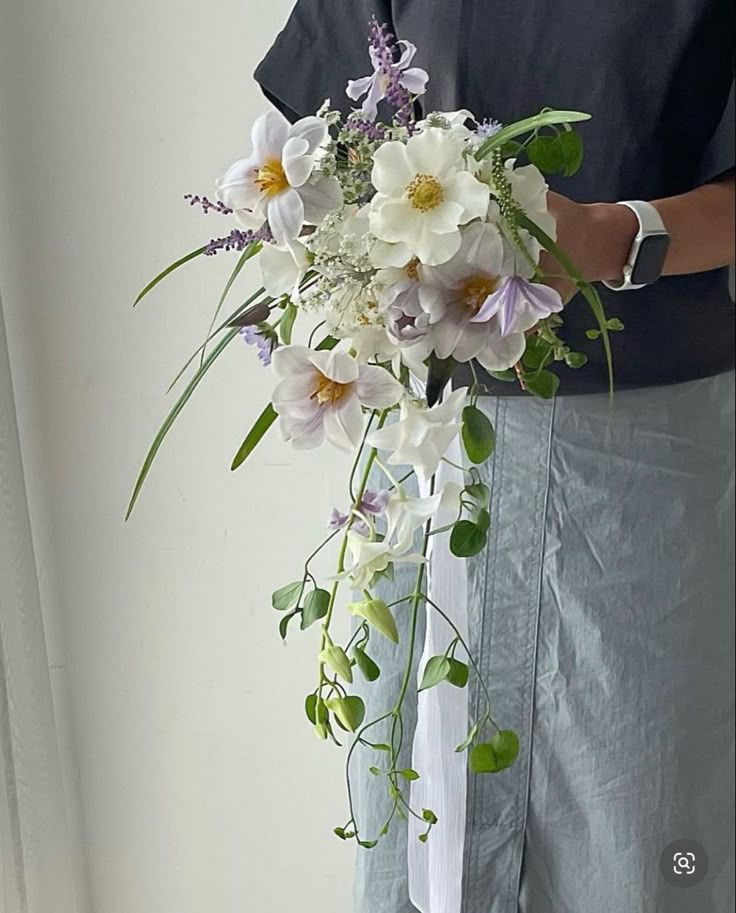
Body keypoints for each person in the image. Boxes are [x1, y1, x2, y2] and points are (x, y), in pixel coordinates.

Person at [254, 2, 736, 911]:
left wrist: (614, 236)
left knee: (646, 831)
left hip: (643, 476)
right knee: (423, 816)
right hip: (433, 457)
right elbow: (321, 144)